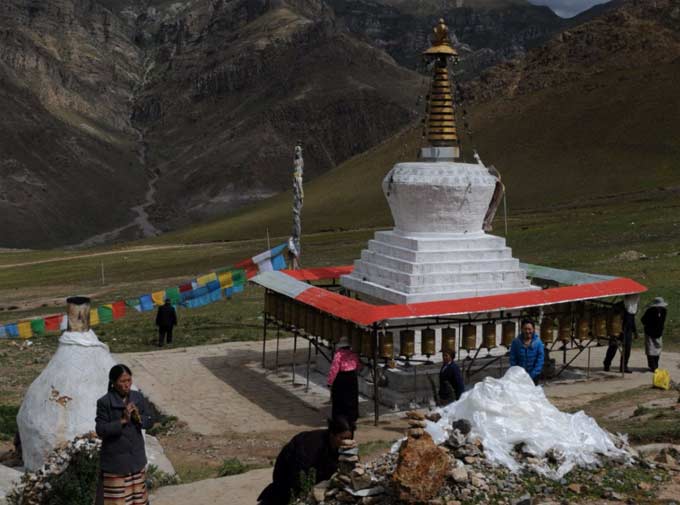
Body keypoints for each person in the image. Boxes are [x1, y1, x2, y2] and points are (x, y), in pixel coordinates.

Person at [257, 417, 353, 505]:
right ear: (332, 435)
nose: (346, 441)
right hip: (290, 473)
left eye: (349, 438)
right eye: (342, 438)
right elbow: (299, 474)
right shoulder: (312, 446)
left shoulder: (341, 447)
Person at [95, 364, 153, 505]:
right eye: (122, 381)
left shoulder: (137, 397)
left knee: (138, 500)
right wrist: (122, 420)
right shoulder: (105, 402)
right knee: (118, 501)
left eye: (129, 380)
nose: (126, 385)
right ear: (113, 383)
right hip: (116, 463)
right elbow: (101, 430)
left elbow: (150, 420)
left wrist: (139, 418)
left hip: (135, 459)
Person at [327, 336, 361, 430]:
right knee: (352, 399)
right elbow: (358, 366)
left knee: (339, 399)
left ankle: (340, 419)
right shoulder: (353, 354)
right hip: (352, 378)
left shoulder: (338, 354)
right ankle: (351, 419)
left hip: (341, 377)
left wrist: (330, 382)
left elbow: (334, 369)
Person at [603, 297, 639, 373]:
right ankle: (607, 364)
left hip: (628, 330)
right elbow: (613, 317)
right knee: (613, 347)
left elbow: (632, 319)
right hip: (617, 329)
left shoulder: (633, 306)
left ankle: (623, 367)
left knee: (627, 349)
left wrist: (635, 331)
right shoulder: (618, 305)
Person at [509, 318, 545, 384]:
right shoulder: (516, 342)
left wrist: (532, 375)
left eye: (529, 329)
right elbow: (512, 359)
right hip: (519, 377)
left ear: (533, 329)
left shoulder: (538, 343)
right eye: (525, 329)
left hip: (534, 377)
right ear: (522, 329)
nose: (527, 331)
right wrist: (516, 373)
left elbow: (540, 361)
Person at [641, 297, 668, 372]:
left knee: (650, 349)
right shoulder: (664, 311)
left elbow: (643, 320)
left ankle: (652, 366)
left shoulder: (650, 311)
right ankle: (656, 364)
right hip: (659, 332)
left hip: (649, 332)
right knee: (657, 349)